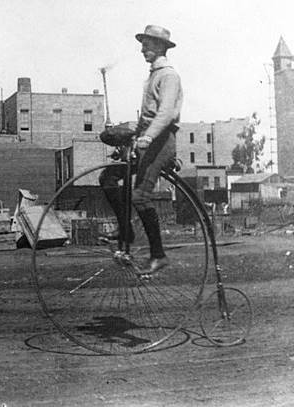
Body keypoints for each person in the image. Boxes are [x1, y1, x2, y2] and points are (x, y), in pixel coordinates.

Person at [99, 25, 183, 274]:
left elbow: (166, 113)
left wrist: (147, 137)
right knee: (109, 177)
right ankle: (126, 230)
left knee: (140, 196)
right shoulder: (153, 76)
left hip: (161, 142)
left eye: (147, 44)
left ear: (160, 46)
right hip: (148, 140)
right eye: (143, 44)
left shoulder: (168, 75)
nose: (142, 49)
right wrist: (121, 130)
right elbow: (147, 117)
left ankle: (159, 255)